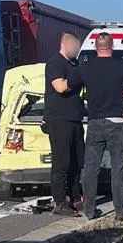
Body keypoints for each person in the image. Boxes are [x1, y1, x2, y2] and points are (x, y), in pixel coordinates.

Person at [54, 32, 123, 221]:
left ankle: (90, 209)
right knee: (118, 168)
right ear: (112, 47)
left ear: (95, 47)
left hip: (95, 123)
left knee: (91, 168)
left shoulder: (85, 68)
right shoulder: (122, 66)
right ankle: (122, 211)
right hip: (117, 122)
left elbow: (65, 87)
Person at [44, 32, 85, 216]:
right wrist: (79, 76)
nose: (76, 50)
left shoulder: (75, 65)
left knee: (77, 160)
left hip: (76, 118)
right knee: (62, 162)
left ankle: (76, 196)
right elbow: (60, 87)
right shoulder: (55, 63)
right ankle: (60, 202)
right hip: (59, 119)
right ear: (64, 44)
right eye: (74, 46)